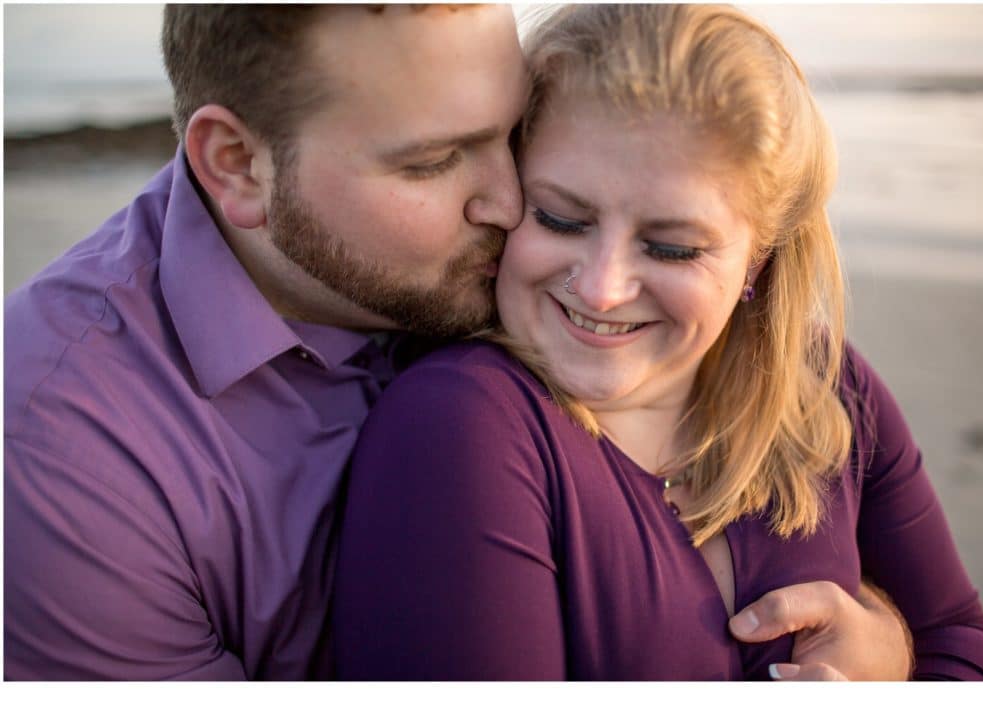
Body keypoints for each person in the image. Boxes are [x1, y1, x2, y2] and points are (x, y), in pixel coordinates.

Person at [3, 3, 914, 682]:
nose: (513, 204)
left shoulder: (527, 288)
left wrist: (897, 645)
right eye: (434, 161)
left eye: (512, 132)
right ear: (238, 165)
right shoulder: (69, 454)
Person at [332, 4, 983, 681]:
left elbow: (964, 644)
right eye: (561, 218)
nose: (600, 288)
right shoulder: (459, 422)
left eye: (672, 247)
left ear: (758, 260)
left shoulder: (827, 384)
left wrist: (898, 659)